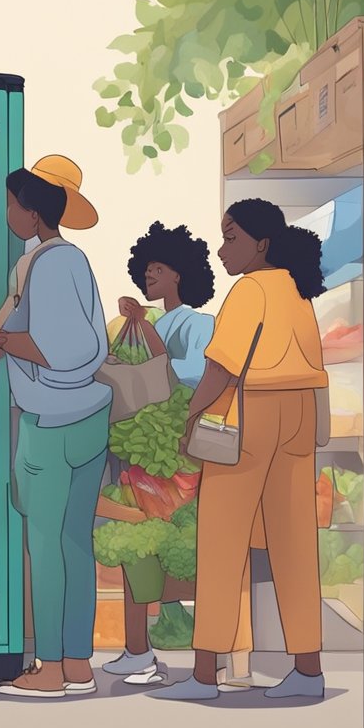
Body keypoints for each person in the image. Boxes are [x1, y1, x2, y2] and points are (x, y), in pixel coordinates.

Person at [151, 198, 329, 702]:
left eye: (231, 238)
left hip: (248, 416)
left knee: (222, 540)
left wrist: (190, 420)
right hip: (299, 415)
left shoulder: (249, 289)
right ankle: (308, 671)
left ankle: (205, 675)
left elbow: (220, 368)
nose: (223, 248)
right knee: (295, 542)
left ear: (262, 244)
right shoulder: (298, 290)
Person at [100, 222, 253, 691]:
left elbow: (193, 376)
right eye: (145, 269)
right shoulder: (144, 323)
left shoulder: (197, 323)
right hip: (142, 452)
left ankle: (210, 655)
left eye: (158, 269)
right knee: (135, 543)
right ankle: (137, 650)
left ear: (180, 275)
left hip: (182, 454)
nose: (149, 277)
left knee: (186, 550)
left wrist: (145, 330)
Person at [0, 156, 111, 699]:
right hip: (87, 417)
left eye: (13, 203)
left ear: (33, 212)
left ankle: (52, 669)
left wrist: (7, 344)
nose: (8, 212)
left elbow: (64, 349)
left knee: (46, 542)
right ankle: (79, 664)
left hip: (51, 421)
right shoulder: (63, 261)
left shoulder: (50, 264)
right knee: (74, 542)